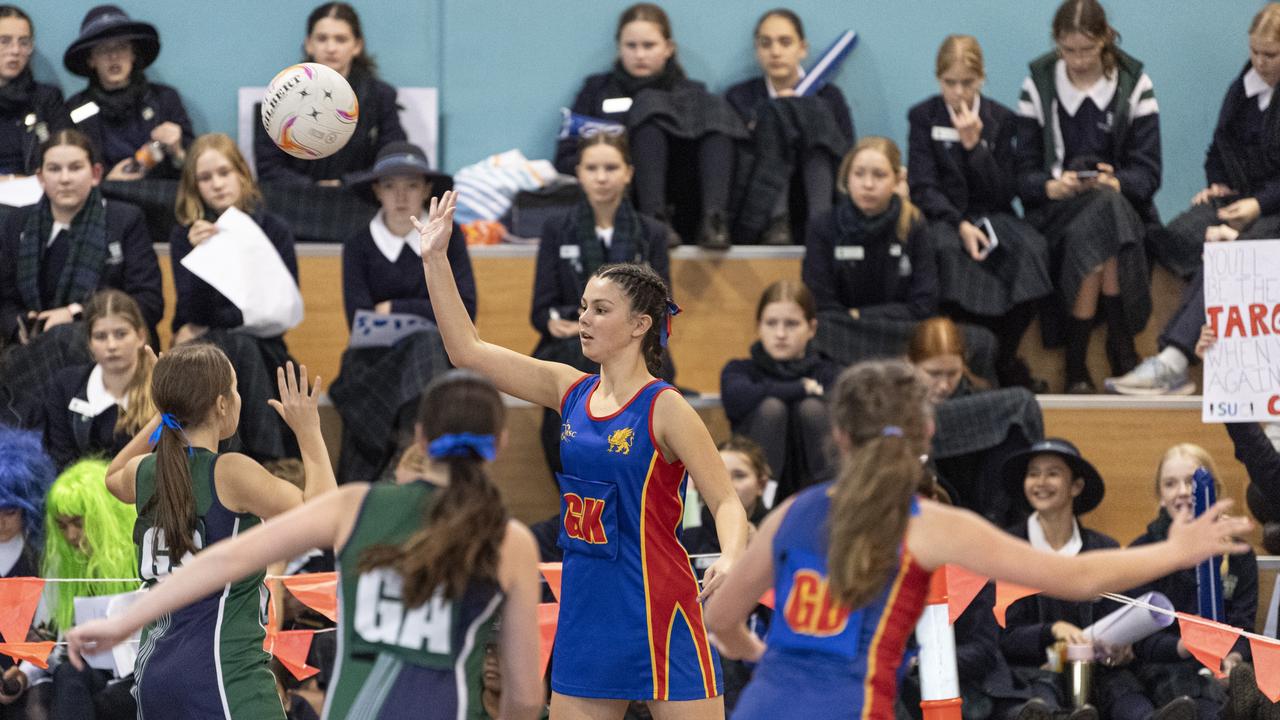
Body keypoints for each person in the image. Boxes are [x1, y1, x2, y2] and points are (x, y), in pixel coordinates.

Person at [703, 358, 1252, 720]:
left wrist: (761, 654)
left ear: (839, 435)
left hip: (762, 706)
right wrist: (1178, 549)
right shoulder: (928, 523)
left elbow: (720, 621)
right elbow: (1079, 577)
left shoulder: (792, 513)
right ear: (929, 434)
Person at [418, 190, 748, 716]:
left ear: (641, 325)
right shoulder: (567, 388)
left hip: (659, 603)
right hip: (586, 608)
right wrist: (436, 259)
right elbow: (467, 350)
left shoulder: (665, 407)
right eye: (582, 308)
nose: (584, 319)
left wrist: (731, 555)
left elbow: (727, 502)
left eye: (600, 309)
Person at [66, 370, 545, 720]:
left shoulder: (357, 504)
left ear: (421, 437)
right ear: (499, 444)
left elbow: (226, 557)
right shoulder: (512, 542)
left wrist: (121, 624)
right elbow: (524, 697)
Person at [98, 344, 336, 718]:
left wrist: (164, 414)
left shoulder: (144, 471)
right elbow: (326, 518)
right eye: (237, 389)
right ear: (223, 404)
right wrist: (309, 433)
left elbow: (112, 476)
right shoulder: (230, 472)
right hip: (222, 673)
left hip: (152, 674)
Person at [1108, 3, 1280, 396]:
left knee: (1236, 255)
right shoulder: (1243, 88)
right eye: (1254, 51)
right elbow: (1218, 149)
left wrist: (1258, 206)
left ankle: (1175, 357)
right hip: (1240, 200)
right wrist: (1217, 183)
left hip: (1270, 209)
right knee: (1181, 234)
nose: (1260, 62)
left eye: (1270, 55)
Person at [1015, 0, 1162, 394]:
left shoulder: (1135, 84)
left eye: (1087, 50)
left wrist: (1117, 182)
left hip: (1122, 207)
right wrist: (1052, 185)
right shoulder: (1038, 84)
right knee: (1102, 220)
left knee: (1105, 211)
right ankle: (1121, 345)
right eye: (1068, 50)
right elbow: (1022, 174)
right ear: (1056, 44)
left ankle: (1076, 363)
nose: (1077, 61)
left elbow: (1149, 174)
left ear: (1105, 41)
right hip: (1057, 212)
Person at [908, 35, 1052, 391]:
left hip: (993, 214)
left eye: (967, 83)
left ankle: (1004, 354)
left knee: (1032, 249)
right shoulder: (923, 117)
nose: (958, 92)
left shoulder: (1002, 120)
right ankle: (963, 362)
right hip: (944, 216)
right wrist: (959, 225)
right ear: (938, 79)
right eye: (950, 83)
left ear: (982, 79)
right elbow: (923, 186)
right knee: (944, 251)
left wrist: (975, 148)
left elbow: (1004, 190)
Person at [331, 141, 475, 484]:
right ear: (377, 190)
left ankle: (409, 453)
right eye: (391, 185)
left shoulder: (449, 239)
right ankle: (411, 457)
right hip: (373, 362)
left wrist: (395, 307)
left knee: (426, 346)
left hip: (436, 356)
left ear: (426, 189)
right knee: (425, 344)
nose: (401, 196)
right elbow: (359, 319)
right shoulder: (358, 244)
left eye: (411, 185)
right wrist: (428, 311)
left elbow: (467, 310)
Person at [996, 439, 1168, 720]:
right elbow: (1003, 636)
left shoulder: (1105, 549)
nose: (1040, 482)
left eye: (1052, 473)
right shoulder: (1009, 549)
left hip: (1100, 670)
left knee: (1128, 697)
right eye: (1033, 473)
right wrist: (1053, 630)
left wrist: (1124, 648)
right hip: (1031, 672)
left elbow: (1121, 620)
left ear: (1076, 486)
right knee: (1039, 702)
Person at [0, 129, 161, 425]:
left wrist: (77, 313)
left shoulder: (124, 219)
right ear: (40, 178)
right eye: (54, 169)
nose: (64, 178)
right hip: (28, 349)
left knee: (65, 338)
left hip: (109, 346)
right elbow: (5, 301)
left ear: (96, 173)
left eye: (75, 167)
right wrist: (20, 324)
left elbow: (149, 302)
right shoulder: (16, 223)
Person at [803, 136, 998, 380]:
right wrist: (854, 319)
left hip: (902, 332)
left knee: (981, 342)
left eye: (879, 175)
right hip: (846, 331)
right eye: (859, 174)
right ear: (846, 178)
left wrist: (859, 315)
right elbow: (821, 302)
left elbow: (923, 304)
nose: (868, 184)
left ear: (897, 179)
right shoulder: (824, 227)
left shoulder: (914, 225)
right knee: (818, 332)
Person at [533, 132, 671, 475]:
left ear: (628, 173)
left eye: (611, 167)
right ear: (578, 173)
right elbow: (541, 308)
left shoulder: (651, 232)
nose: (601, 176)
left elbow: (662, 306)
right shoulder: (557, 228)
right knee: (570, 370)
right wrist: (557, 321)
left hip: (633, 344)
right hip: (572, 343)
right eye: (592, 167)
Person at [554, 2, 745, 248]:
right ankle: (653, 219)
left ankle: (715, 221)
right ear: (619, 48)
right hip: (619, 198)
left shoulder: (694, 94)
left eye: (649, 45)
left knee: (713, 120)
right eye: (631, 46)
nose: (640, 55)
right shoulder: (596, 90)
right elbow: (565, 157)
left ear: (668, 48)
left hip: (684, 200)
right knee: (647, 122)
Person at [1123, 444, 1258, 720]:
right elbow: (1138, 636)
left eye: (1192, 481)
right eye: (1171, 484)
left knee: (1241, 680)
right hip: (1164, 664)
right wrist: (1183, 647)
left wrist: (1233, 658)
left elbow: (1243, 625)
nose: (1183, 491)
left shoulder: (1237, 553)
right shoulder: (1143, 551)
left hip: (1221, 665)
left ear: (1214, 490)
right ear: (1160, 496)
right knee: (1193, 693)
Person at [0, 459, 138, 718]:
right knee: (67, 675)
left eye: (78, 522)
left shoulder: (140, 558)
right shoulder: (62, 566)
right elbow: (57, 645)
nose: (71, 535)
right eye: (62, 526)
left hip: (143, 671)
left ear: (103, 517)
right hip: (86, 673)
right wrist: (24, 676)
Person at [726, 8, 855, 245]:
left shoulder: (830, 96)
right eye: (766, 44)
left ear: (802, 48)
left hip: (819, 194)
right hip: (761, 202)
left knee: (811, 111)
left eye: (785, 42)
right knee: (776, 114)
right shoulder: (740, 96)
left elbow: (846, 152)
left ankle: (821, 222)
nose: (775, 52)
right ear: (757, 50)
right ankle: (778, 222)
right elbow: (737, 157)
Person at [253, 2, 406, 187]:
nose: (331, 48)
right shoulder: (281, 94)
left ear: (357, 46)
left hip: (360, 200)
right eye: (322, 38)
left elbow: (393, 160)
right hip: (294, 202)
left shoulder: (381, 97)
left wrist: (345, 183)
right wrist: (312, 187)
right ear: (309, 44)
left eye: (340, 39)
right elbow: (268, 167)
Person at [909, 317, 1041, 524]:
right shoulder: (892, 401)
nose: (944, 385)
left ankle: (995, 521)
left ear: (964, 364)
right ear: (911, 365)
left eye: (953, 373)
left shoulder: (981, 398)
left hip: (978, 503)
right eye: (933, 374)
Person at [721, 280, 838, 501]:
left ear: (812, 328)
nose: (781, 334)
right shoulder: (739, 371)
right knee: (771, 409)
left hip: (813, 491)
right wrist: (801, 387)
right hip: (751, 499)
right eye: (771, 323)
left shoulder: (829, 373)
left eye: (791, 324)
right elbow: (736, 400)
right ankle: (762, 507)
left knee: (812, 409)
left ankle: (827, 503)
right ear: (758, 326)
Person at [63, 5, 194, 182]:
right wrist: (107, 181)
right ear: (91, 60)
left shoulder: (164, 99)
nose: (114, 57)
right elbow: (69, 170)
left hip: (161, 197)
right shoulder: (75, 109)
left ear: (133, 54)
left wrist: (178, 151)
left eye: (122, 47)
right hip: (105, 199)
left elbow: (194, 168)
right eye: (103, 50)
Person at [42, 289, 155, 470]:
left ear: (140, 336)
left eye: (121, 334)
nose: (111, 345)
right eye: (100, 336)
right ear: (89, 343)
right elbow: (61, 461)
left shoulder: (162, 391)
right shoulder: (64, 385)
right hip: (79, 493)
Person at [0, 5, 71, 178]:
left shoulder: (47, 98)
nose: (15, 51)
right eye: (4, 41)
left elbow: (67, 154)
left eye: (24, 42)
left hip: (37, 193)